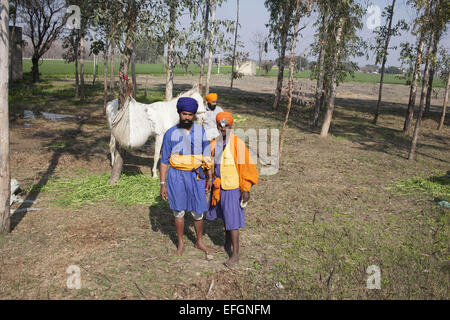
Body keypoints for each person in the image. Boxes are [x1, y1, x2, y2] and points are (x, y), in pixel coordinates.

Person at [160, 97, 216, 256]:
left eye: (190, 114)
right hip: (176, 176)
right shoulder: (170, 133)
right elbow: (164, 161)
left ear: (194, 115)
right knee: (178, 211)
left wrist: (209, 177)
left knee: (198, 210)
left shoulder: (200, 131)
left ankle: (199, 242)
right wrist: (163, 183)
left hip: (196, 176)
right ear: (179, 113)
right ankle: (181, 243)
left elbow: (206, 155)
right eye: (184, 114)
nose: (187, 117)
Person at [206, 112, 258, 268]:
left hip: (232, 187)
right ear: (217, 126)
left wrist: (246, 188)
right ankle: (226, 245)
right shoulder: (214, 143)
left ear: (231, 126)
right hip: (219, 186)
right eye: (220, 125)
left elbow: (246, 168)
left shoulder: (238, 144)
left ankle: (235, 254)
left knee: (232, 221)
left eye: (226, 125)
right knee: (225, 217)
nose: (223, 128)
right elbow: (209, 164)